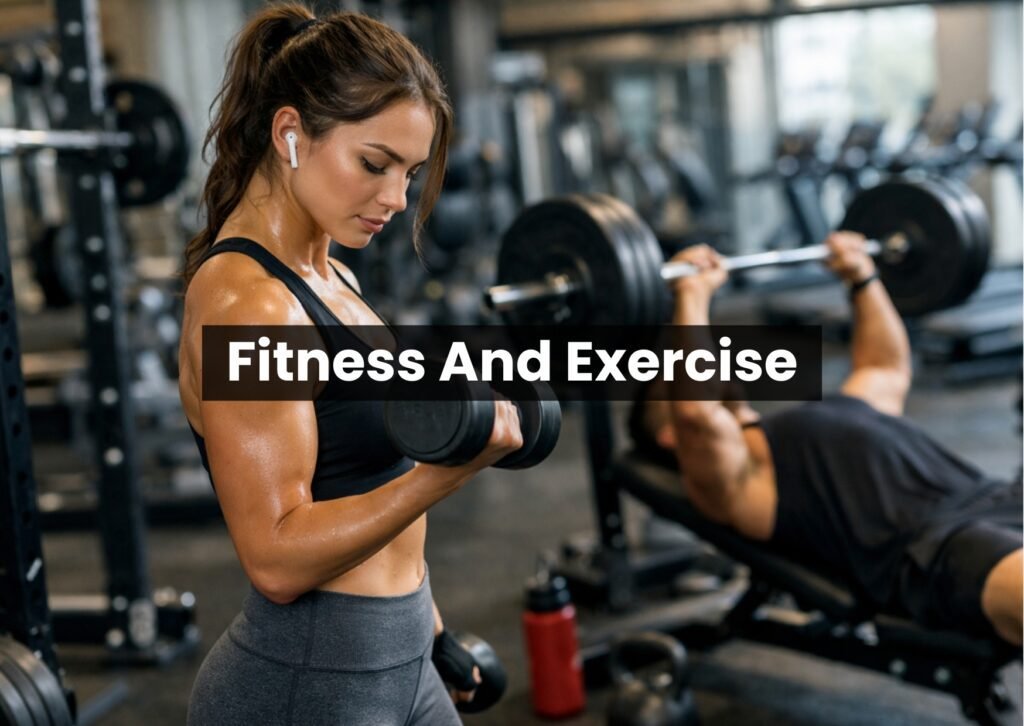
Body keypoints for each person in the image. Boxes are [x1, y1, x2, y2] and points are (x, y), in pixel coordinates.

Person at [177, 6, 522, 725]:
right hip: (312, 680)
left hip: (401, 657)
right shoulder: (251, 304)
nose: (396, 198)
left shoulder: (339, 282)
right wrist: (445, 475)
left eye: (410, 172)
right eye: (374, 164)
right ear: (290, 134)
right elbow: (274, 558)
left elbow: (373, 482)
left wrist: (432, 635)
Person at [631, 234, 1022, 645]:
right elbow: (696, 414)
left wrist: (861, 279)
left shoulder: (827, 411)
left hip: (1000, 496)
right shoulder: (736, 475)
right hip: (944, 549)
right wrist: (690, 296)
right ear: (669, 436)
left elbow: (884, 368)